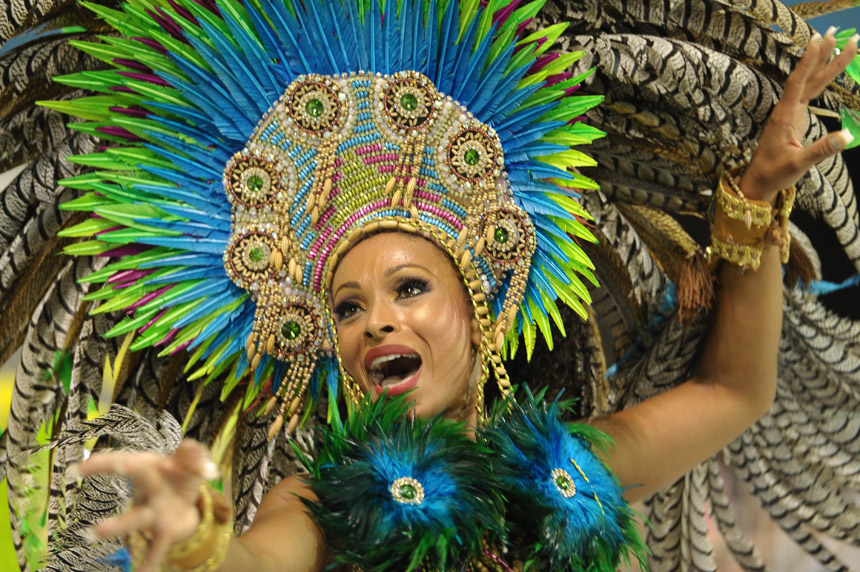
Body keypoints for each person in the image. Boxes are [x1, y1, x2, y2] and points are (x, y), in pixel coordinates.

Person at [2, 0, 858, 570]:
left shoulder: (573, 468)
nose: (375, 322)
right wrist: (196, 543)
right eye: (346, 306)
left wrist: (755, 198)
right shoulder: (323, 498)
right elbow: (262, 559)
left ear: (481, 304)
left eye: (408, 288)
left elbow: (734, 389)